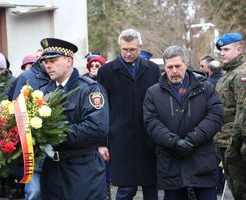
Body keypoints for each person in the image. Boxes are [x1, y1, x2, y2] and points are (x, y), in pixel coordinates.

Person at [143, 45, 223, 200]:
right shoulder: (153, 93)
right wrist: (174, 142)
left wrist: (192, 139)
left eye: (178, 66)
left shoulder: (206, 89)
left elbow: (215, 117)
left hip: (202, 160)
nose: (174, 71)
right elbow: (151, 122)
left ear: (186, 64)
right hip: (171, 161)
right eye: (169, 67)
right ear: (164, 67)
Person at [39, 38, 109, 200]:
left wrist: (55, 134)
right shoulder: (44, 91)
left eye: (53, 60)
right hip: (52, 170)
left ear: (68, 61)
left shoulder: (89, 89)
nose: (48, 65)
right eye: (45, 61)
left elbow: (97, 127)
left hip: (82, 170)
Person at [97, 28, 160, 200]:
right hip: (121, 140)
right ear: (120, 47)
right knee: (126, 189)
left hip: (149, 138)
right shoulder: (106, 71)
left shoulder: (153, 70)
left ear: (140, 47)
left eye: (133, 49)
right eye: (125, 49)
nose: (128, 53)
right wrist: (102, 142)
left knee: (151, 188)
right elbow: (100, 109)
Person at [12, 53, 50, 200]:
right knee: (34, 192)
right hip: (33, 144)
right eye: (48, 61)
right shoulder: (27, 77)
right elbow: (16, 109)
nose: (50, 65)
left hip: (57, 144)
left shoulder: (60, 77)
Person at [214, 32, 246, 200]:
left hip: (236, 146)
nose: (222, 53)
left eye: (226, 49)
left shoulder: (241, 74)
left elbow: (243, 113)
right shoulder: (229, 73)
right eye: (221, 50)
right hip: (226, 143)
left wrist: (235, 146)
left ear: (239, 49)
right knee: (235, 191)